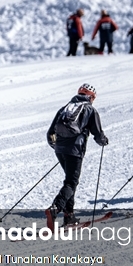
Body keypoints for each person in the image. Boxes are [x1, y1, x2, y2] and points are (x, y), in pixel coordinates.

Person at [45, 84, 109, 229]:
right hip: (75, 150)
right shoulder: (89, 109)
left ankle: (69, 216)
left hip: (60, 150)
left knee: (69, 182)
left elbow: (50, 133)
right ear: (91, 97)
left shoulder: (65, 108)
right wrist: (104, 141)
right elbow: (98, 134)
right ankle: (55, 208)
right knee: (71, 182)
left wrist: (59, 147)